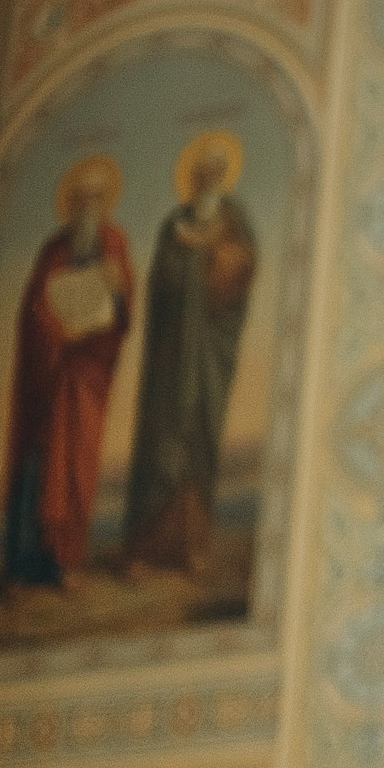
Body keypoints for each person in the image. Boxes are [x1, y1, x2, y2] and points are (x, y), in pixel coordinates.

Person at [123, 129, 257, 575]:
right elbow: (159, 280)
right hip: (169, 356)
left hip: (205, 359)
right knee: (160, 444)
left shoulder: (234, 220)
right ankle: (146, 548)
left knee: (198, 439)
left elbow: (241, 270)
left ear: (223, 176)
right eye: (201, 172)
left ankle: (191, 548)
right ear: (193, 177)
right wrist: (184, 264)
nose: (207, 178)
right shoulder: (172, 224)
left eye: (215, 171)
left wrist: (211, 259)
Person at [2, 156, 133, 589]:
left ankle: (64, 557)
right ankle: (29, 561)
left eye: (97, 196)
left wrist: (112, 300)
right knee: (41, 468)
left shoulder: (114, 246)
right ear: (69, 203)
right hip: (51, 380)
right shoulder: (53, 252)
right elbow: (34, 313)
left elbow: (123, 312)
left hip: (87, 380)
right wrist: (57, 331)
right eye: (80, 197)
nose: (88, 205)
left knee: (75, 468)